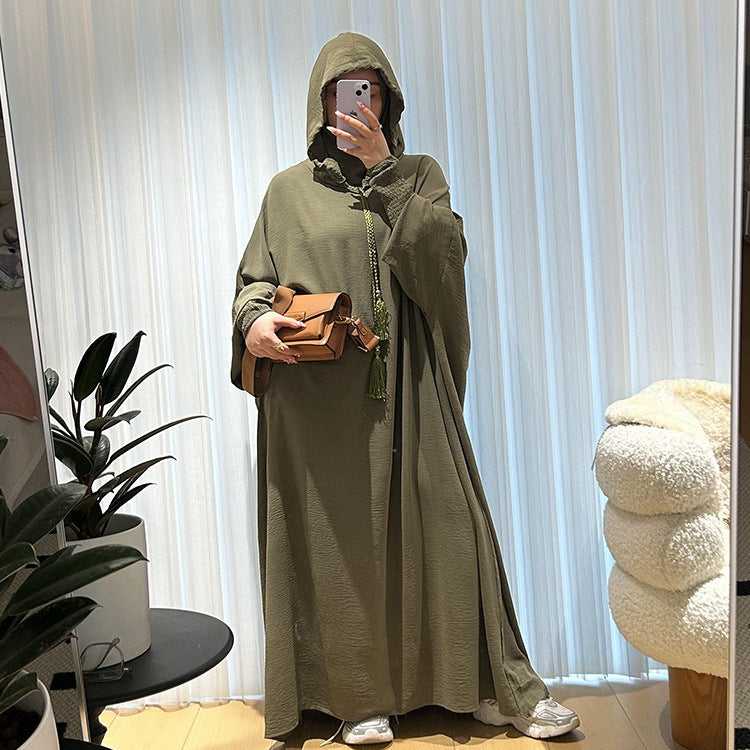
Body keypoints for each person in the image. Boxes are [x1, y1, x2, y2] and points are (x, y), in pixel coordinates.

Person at [231, 32, 580, 745]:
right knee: (340, 545)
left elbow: (444, 263)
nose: (359, 105)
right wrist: (253, 322)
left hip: (412, 388)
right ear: (321, 103)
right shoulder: (286, 193)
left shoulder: (418, 175)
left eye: (372, 91)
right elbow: (253, 282)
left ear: (389, 101)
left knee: (454, 527)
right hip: (318, 402)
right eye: (344, 92)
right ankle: (356, 700)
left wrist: (385, 172)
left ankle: (487, 684)